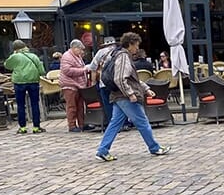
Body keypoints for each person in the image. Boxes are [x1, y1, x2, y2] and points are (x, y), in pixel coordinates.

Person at [95, 32, 170, 161]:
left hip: (118, 95)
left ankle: (103, 150)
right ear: (130, 44)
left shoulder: (118, 54)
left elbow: (132, 79)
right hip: (125, 96)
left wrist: (146, 89)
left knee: (115, 123)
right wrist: (130, 94)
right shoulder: (123, 56)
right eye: (136, 45)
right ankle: (154, 147)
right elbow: (120, 78)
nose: (137, 48)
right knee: (142, 121)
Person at [3, 39, 46, 134]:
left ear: (15, 48)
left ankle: (22, 127)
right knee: (35, 104)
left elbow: (7, 65)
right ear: (25, 46)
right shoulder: (33, 56)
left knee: (20, 105)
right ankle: (36, 127)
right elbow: (42, 70)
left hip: (19, 83)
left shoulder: (15, 56)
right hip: (33, 82)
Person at [59, 39, 91, 132]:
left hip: (79, 85)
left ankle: (82, 124)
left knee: (80, 106)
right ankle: (72, 125)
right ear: (74, 48)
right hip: (70, 85)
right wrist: (84, 70)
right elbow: (67, 71)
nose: (82, 52)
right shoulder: (67, 56)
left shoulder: (77, 56)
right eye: (80, 49)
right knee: (72, 106)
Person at [87, 37, 118, 127]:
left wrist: (93, 82)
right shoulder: (119, 52)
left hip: (104, 82)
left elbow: (92, 68)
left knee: (107, 104)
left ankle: (112, 124)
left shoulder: (100, 53)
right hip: (117, 82)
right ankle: (123, 123)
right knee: (119, 103)